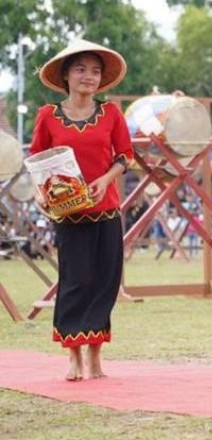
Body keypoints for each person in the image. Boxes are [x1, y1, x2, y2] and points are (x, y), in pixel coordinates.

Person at [30, 39, 133, 381]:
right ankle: (73, 356)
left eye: (95, 71)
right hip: (69, 213)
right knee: (75, 282)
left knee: (105, 282)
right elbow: (37, 161)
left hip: (105, 210)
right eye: (80, 69)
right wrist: (39, 194)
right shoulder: (48, 116)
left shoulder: (111, 113)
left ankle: (95, 358)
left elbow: (125, 156)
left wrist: (106, 179)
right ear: (65, 75)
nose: (88, 76)